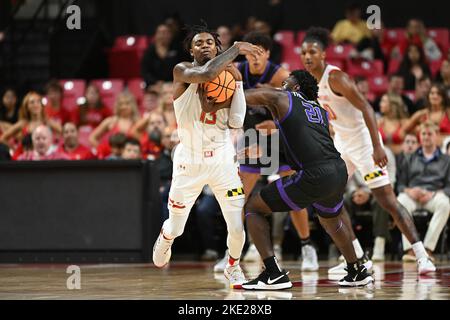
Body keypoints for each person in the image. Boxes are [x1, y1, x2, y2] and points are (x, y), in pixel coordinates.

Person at [299, 27, 435, 275]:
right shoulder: (309, 84)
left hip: (362, 142)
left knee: (387, 201)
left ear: (324, 55)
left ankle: (422, 255)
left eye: (313, 52)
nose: (307, 56)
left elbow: (367, 109)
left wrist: (377, 146)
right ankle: (358, 257)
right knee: (328, 200)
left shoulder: (336, 78)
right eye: (304, 52)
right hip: (342, 143)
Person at [239, 70, 373, 289]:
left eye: (286, 82)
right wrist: (262, 148)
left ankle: (272, 274)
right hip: (337, 170)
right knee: (331, 220)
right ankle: (356, 269)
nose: (282, 85)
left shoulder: (286, 97)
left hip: (315, 173)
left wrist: (228, 91)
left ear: (296, 87)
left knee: (254, 207)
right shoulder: (319, 110)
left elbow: (259, 96)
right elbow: (299, 138)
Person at [152, 23, 263, 286]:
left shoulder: (231, 74)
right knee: (177, 226)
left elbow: (236, 121)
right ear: (191, 50)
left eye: (210, 42)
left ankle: (233, 266)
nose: (204, 46)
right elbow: (205, 74)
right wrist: (236, 49)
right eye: (198, 43)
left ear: (217, 47)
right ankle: (166, 236)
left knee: (236, 225)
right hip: (189, 161)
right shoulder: (182, 70)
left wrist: (230, 91)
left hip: (222, 159)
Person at [397, 121, 450, 262]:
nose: (426, 137)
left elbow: (449, 187)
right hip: (413, 194)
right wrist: (409, 191)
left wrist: (433, 193)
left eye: (430, 134)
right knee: (401, 201)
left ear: (437, 136)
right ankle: (411, 250)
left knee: (445, 204)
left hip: (434, 194)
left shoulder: (447, 160)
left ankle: (427, 249)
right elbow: (400, 184)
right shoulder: (410, 158)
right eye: (423, 134)